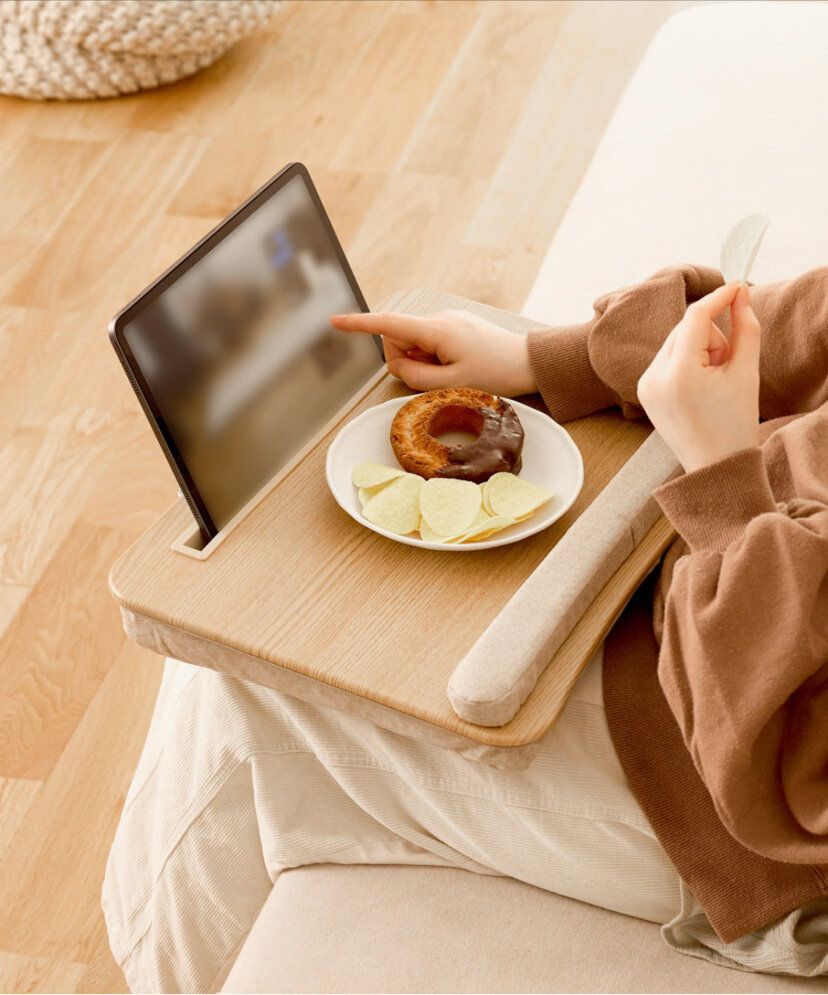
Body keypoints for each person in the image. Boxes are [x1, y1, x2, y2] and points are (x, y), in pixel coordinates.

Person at [103, 266, 828, 992]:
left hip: (744, 776)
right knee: (244, 614)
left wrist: (722, 480)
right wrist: (547, 360)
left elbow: (779, 748)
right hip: (712, 560)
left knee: (244, 687)